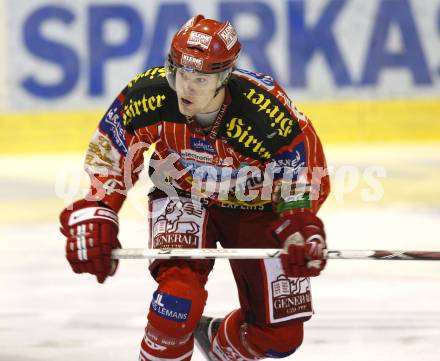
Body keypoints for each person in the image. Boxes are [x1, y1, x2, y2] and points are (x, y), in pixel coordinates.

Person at [59, 14, 330, 361]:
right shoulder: (149, 95)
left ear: (224, 77)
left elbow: (304, 171)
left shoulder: (266, 112)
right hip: (181, 194)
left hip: (256, 204)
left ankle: (216, 341)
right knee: (176, 303)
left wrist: (298, 225)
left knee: (279, 337)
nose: (187, 87)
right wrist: (99, 209)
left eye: (200, 78)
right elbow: (110, 155)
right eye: (181, 73)